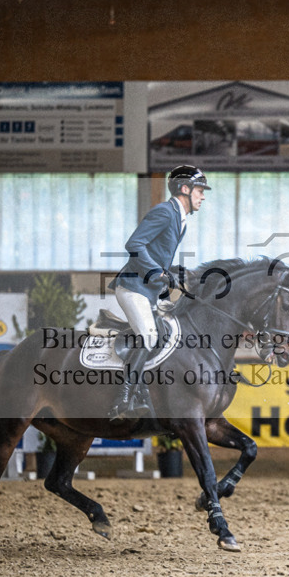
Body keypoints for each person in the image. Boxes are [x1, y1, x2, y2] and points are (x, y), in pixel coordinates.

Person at [106, 165, 209, 421]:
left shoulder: (180, 220)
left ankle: (146, 392)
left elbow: (157, 254)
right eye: (199, 191)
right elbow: (134, 244)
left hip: (149, 291)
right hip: (133, 288)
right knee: (149, 336)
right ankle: (124, 398)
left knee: (168, 335)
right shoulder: (165, 212)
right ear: (184, 189)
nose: (203, 197)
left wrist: (173, 272)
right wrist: (158, 273)